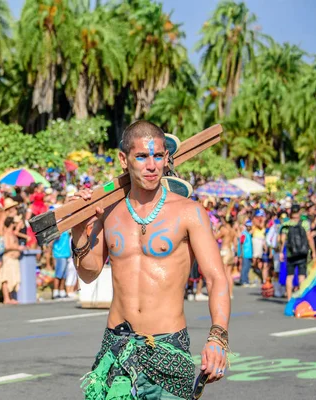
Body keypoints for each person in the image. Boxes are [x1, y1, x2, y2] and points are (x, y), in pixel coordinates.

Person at [71, 121, 230, 399]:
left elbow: (217, 278)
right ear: (124, 159)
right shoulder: (108, 211)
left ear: (167, 158)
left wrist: (218, 338)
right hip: (116, 347)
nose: (151, 165)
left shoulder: (189, 212)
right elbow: (88, 273)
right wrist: (77, 231)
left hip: (168, 347)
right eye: (142, 157)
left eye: (158, 155)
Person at [280, 204, 315, 301]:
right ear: (299, 212)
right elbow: (309, 238)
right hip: (302, 253)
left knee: (289, 276)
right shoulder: (305, 223)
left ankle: (289, 298)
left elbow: (282, 239)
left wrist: (281, 252)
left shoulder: (286, 224)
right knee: (301, 276)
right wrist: (313, 251)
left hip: (291, 253)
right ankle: (302, 298)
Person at [0, 217, 24, 304]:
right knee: (6, 278)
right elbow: (6, 246)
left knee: (13, 279)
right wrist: (18, 247)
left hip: (14, 259)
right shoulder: (7, 234)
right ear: (11, 224)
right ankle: (6, 298)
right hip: (8, 259)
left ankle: (10, 297)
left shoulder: (13, 234)